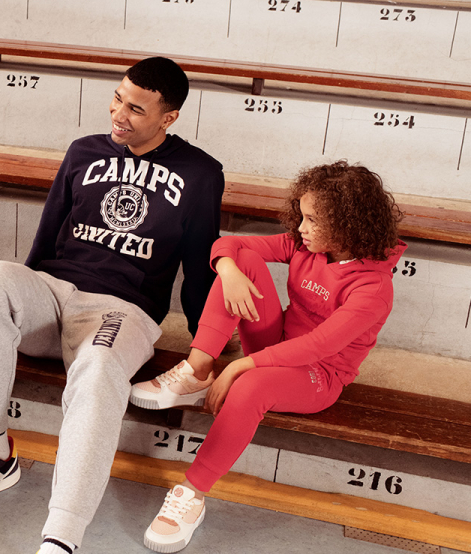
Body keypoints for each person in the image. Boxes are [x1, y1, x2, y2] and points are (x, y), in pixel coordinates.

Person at [0, 57, 224, 554]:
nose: (118, 114)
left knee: (101, 365)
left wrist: (204, 349)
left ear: (168, 117)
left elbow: (199, 267)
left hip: (120, 310)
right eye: (117, 99)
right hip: (52, 292)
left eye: (136, 109)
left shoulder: (199, 174)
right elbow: (46, 236)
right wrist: (16, 303)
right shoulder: (83, 151)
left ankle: (61, 539)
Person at [132, 161, 405, 552]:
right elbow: (229, 245)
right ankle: (197, 368)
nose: (302, 228)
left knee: (251, 385)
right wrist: (228, 270)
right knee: (243, 262)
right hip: (276, 344)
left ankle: (191, 495)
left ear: (347, 225)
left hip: (319, 374)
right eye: (302, 215)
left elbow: (319, 345)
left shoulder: (373, 288)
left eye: (313, 220)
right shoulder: (305, 245)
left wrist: (241, 365)